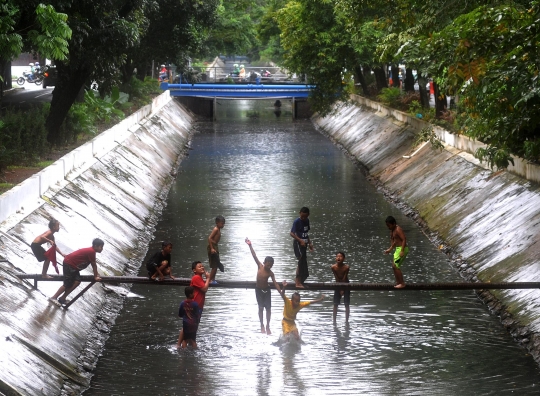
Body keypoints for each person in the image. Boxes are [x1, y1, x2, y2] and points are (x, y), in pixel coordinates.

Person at [49, 238, 104, 306]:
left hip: (74, 267)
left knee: (77, 281)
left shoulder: (92, 251)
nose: (102, 249)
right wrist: (95, 276)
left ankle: (63, 298)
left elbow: (93, 264)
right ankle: (54, 297)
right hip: (69, 264)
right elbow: (94, 265)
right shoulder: (91, 251)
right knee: (67, 283)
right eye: (101, 247)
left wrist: (96, 273)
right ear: (95, 246)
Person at [245, 238, 282, 335]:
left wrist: (281, 293)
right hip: (258, 290)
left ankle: (268, 326)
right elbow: (254, 255)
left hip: (267, 290)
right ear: (264, 262)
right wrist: (250, 245)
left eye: (271, 266)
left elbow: (276, 283)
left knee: (268, 309)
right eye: (268, 265)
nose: (269, 267)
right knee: (260, 307)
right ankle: (261, 325)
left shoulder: (271, 273)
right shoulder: (260, 266)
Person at [177, 261, 211, 346]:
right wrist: (208, 278)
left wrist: (206, 279)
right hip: (194, 306)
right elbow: (204, 289)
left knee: (188, 326)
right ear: (194, 270)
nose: (202, 267)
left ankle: (182, 345)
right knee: (190, 327)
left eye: (202, 266)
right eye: (199, 267)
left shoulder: (199, 278)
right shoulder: (196, 277)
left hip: (195, 306)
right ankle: (181, 345)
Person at [290, 207, 313, 288]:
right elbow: (292, 233)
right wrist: (300, 241)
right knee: (301, 260)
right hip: (298, 244)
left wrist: (310, 243)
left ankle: (300, 280)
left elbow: (306, 234)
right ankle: (297, 282)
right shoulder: (297, 221)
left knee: (303, 261)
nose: (303, 218)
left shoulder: (307, 221)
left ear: (308, 215)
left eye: (305, 217)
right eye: (302, 216)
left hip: (304, 244)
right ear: (299, 213)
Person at [384, 216, 409, 288]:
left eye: (389, 225)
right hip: (398, 249)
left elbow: (404, 239)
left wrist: (402, 251)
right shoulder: (393, 230)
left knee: (396, 266)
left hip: (402, 249)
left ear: (394, 223)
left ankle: (402, 283)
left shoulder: (398, 229)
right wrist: (390, 249)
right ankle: (398, 282)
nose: (388, 227)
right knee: (393, 266)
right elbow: (396, 241)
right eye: (387, 226)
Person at [331, 252, 350, 323]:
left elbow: (344, 278)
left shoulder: (346, 267)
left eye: (341, 256)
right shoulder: (333, 267)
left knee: (346, 304)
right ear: (336, 258)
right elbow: (337, 278)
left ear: (344, 259)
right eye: (337, 256)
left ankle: (346, 321)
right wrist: (339, 288)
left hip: (346, 284)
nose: (338, 258)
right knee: (335, 303)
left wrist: (343, 289)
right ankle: (334, 321)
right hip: (337, 284)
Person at [207, 215, 225, 283]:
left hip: (215, 246)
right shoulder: (216, 229)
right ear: (217, 222)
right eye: (222, 223)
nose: (223, 225)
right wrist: (211, 248)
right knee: (214, 266)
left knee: (216, 264)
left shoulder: (218, 229)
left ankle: (213, 279)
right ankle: (209, 280)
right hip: (213, 247)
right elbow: (209, 238)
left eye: (224, 223)